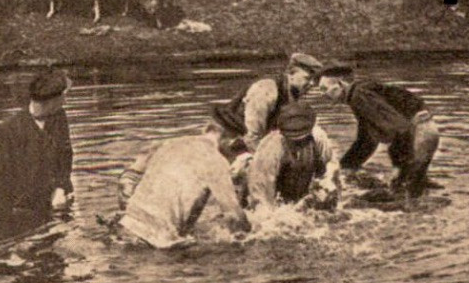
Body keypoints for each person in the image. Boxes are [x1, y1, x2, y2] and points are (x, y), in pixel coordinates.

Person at [114, 103, 254, 249]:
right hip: (156, 243)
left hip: (125, 228)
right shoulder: (215, 161)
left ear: (206, 128)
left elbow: (126, 180)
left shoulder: (169, 143)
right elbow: (234, 219)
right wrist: (256, 235)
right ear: (231, 141)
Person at [317, 63, 440, 200]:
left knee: (401, 195)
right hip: (427, 132)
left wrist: (398, 166)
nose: (323, 95)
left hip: (417, 136)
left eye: (324, 89)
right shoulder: (361, 91)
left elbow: (400, 129)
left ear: (341, 84)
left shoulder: (359, 96)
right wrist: (346, 166)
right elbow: (367, 140)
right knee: (415, 191)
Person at [0, 68, 76, 217]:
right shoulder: (7, 131)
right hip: (7, 212)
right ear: (53, 100)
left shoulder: (59, 117)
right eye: (65, 96)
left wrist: (60, 187)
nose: (66, 101)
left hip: (50, 204)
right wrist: (11, 213)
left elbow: (65, 156)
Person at [244, 102, 342, 211]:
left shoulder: (318, 137)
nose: (299, 145)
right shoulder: (272, 148)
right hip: (267, 190)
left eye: (302, 140)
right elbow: (260, 196)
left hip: (299, 193)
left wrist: (327, 182)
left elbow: (332, 166)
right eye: (293, 140)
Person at [228, 52, 323, 152]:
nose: (312, 84)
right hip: (230, 145)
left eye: (315, 80)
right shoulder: (266, 90)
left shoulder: (292, 94)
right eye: (307, 78)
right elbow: (252, 136)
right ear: (291, 74)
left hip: (252, 144)